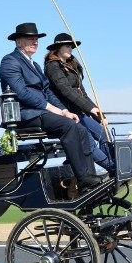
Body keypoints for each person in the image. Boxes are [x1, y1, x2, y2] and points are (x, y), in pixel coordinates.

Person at [0, 22, 102, 194]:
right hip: (26, 114)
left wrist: (64, 111)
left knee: (80, 128)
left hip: (43, 112)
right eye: (29, 38)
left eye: (36, 38)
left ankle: (90, 176)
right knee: (68, 126)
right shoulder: (10, 61)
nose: (35, 41)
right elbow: (22, 93)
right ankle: (83, 179)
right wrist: (51, 109)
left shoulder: (35, 65)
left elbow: (47, 92)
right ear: (18, 42)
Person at [44, 33, 115, 174]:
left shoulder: (72, 65)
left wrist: (98, 115)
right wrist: (88, 108)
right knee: (89, 143)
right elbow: (66, 91)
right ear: (58, 48)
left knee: (103, 132)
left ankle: (114, 163)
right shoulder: (53, 67)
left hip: (80, 111)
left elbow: (82, 93)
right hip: (67, 113)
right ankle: (112, 169)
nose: (71, 49)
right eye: (67, 46)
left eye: (71, 46)